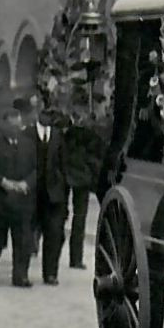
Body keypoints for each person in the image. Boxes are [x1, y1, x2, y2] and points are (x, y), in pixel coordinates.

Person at [0, 98, 38, 288]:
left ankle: (20, 275)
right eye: (11, 126)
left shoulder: (29, 145)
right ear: (4, 125)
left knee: (23, 240)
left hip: (22, 200)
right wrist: (3, 182)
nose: (15, 129)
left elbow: (37, 169)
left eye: (18, 126)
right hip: (0, 200)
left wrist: (26, 183)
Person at [31, 99, 68, 286]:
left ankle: (50, 273)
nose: (46, 116)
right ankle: (20, 272)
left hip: (53, 193)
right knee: (25, 232)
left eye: (49, 113)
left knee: (54, 233)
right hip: (31, 192)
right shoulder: (28, 134)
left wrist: (63, 192)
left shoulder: (57, 136)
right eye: (44, 112)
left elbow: (63, 165)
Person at [62, 118, 106, 270]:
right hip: (83, 177)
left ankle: (40, 244)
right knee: (79, 218)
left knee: (60, 214)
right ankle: (76, 258)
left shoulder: (67, 133)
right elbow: (98, 158)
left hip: (66, 174)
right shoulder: (94, 135)